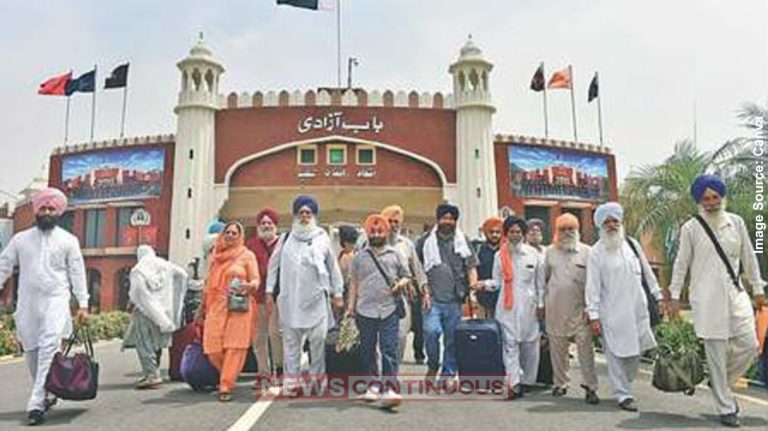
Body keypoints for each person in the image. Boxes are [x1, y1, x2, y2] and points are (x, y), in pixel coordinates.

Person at [668, 175, 766, 428]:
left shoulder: (736, 222)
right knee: (716, 354)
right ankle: (725, 407)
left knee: (749, 344)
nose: (711, 202)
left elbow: (749, 256)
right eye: (706, 198)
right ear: (699, 201)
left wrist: (757, 288)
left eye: (715, 197)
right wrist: (674, 297)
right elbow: (680, 264)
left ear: (722, 197)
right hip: (707, 299)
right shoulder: (691, 228)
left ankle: (719, 381)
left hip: (735, 295)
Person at [0, 187, 89, 426]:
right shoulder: (20, 239)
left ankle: (36, 403)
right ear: (36, 210)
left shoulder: (68, 240)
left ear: (58, 212)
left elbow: (77, 273)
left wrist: (83, 303)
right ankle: (47, 391)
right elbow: (4, 266)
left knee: (50, 345)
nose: (47, 211)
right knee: (32, 351)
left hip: (56, 300)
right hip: (28, 304)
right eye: (43, 207)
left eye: (52, 208)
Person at [585, 202, 661, 412]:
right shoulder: (596, 253)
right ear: (600, 226)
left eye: (614, 221)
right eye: (606, 222)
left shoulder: (632, 244)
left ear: (620, 222)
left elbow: (647, 273)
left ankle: (624, 386)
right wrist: (593, 315)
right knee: (616, 354)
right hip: (612, 313)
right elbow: (592, 286)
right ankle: (623, 394)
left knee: (634, 355)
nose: (611, 225)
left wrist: (659, 296)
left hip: (637, 309)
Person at [266, 195, 344, 394]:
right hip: (290, 300)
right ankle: (291, 383)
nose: (304, 216)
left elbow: (332, 267)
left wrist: (338, 292)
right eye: (301, 212)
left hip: (316, 300)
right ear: (295, 215)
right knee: (291, 344)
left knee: (318, 339)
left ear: (314, 215)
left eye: (308, 213)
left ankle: (317, 379)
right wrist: (268, 291)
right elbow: (273, 267)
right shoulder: (285, 238)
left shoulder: (322, 238)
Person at [346, 214, 411, 408]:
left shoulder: (395, 254)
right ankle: (372, 385)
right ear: (367, 233)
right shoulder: (359, 257)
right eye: (372, 231)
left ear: (386, 232)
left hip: (389, 309)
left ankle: (389, 387)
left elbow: (407, 276)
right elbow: (353, 284)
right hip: (365, 310)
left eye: (380, 231)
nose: (376, 234)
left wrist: (400, 284)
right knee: (367, 350)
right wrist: (350, 308)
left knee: (388, 349)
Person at [416, 203, 480, 386]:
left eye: (451, 218)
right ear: (438, 219)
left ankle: (448, 374)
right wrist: (423, 289)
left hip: (454, 299)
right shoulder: (424, 241)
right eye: (444, 218)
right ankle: (433, 365)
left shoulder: (462, 240)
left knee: (451, 340)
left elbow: (471, 266)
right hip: (431, 299)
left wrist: (473, 290)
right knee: (431, 332)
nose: (448, 221)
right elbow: (417, 267)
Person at [200, 221, 260, 402]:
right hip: (216, 305)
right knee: (212, 347)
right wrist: (201, 308)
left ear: (240, 236)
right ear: (222, 234)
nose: (231, 236)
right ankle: (227, 372)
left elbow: (256, 280)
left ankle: (226, 385)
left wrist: (248, 286)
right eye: (228, 232)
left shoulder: (247, 255)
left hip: (238, 305)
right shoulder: (216, 257)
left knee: (235, 347)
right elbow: (208, 285)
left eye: (235, 233)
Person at [542, 214, 599, 404]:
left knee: (585, 350)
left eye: (571, 229)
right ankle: (560, 383)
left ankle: (591, 387)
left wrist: (592, 310)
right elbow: (542, 281)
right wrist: (541, 305)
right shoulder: (549, 252)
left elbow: (594, 283)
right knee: (557, 349)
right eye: (563, 229)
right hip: (555, 309)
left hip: (580, 311)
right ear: (556, 232)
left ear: (578, 231)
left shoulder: (588, 252)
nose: (567, 232)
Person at [492, 216, 544, 399]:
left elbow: (540, 284)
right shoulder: (499, 255)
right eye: (511, 232)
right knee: (510, 344)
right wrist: (483, 285)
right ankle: (514, 383)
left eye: (518, 232)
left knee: (530, 344)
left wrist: (541, 304)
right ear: (506, 234)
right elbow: (497, 281)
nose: (515, 235)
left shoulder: (534, 254)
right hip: (506, 306)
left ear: (523, 234)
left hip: (529, 307)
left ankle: (528, 381)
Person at [122, 245, 188, 389]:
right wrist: (173, 297)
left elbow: (137, 291)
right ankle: (152, 372)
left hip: (144, 311)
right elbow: (182, 275)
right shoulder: (165, 265)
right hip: (164, 311)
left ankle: (152, 375)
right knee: (156, 342)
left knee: (144, 343)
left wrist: (135, 302)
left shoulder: (139, 270)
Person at [381, 204, 428, 364]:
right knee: (378, 339)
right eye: (390, 221)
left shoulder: (407, 244)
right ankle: (380, 375)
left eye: (396, 222)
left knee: (401, 335)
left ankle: (393, 372)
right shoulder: (371, 241)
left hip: (401, 298)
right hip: (376, 298)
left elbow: (418, 270)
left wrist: (425, 291)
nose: (393, 225)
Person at [245, 208, 284, 386]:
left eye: (269, 223)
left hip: (278, 297)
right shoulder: (251, 245)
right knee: (258, 337)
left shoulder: (283, 244)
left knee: (276, 334)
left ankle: (280, 368)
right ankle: (263, 373)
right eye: (263, 223)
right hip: (257, 298)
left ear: (275, 226)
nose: (266, 225)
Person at [476, 217, 503, 319]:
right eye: (491, 232)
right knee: (485, 330)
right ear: (486, 233)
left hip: (503, 298)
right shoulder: (478, 250)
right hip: (483, 298)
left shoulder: (506, 250)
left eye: (498, 232)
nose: (495, 235)